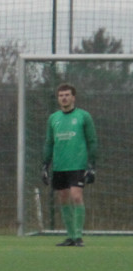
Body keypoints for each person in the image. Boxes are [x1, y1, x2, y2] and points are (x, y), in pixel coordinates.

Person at [41, 83, 98, 246]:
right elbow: (49, 142)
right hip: (59, 165)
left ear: (73, 97)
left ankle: (79, 236)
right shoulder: (53, 118)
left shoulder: (83, 116)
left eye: (67, 95)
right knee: (63, 198)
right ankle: (71, 236)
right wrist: (45, 164)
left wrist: (92, 165)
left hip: (78, 164)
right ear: (58, 99)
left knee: (76, 196)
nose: (64, 98)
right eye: (61, 95)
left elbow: (92, 141)